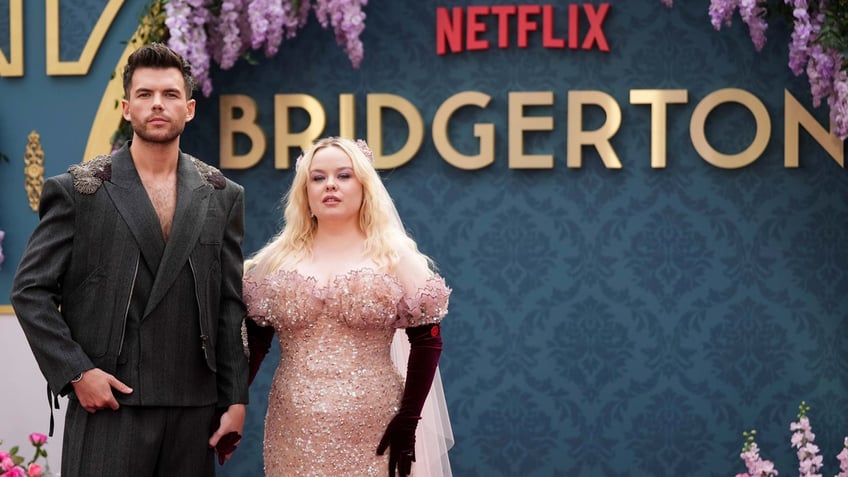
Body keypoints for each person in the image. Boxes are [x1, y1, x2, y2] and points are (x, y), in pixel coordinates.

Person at [10, 42, 249, 476]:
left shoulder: (222, 196)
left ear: (189, 109)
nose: (157, 104)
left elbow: (229, 305)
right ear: (126, 107)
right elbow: (29, 292)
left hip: (192, 408)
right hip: (109, 402)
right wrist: (78, 373)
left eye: (170, 94)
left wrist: (235, 398)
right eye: (145, 94)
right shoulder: (78, 190)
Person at [243, 136, 454, 476]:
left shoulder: (394, 257)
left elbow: (427, 339)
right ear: (305, 190)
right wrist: (231, 405)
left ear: (364, 185)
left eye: (344, 175)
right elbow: (255, 342)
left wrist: (409, 420)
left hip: (376, 424)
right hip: (294, 429)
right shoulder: (277, 260)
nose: (330, 185)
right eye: (318, 177)